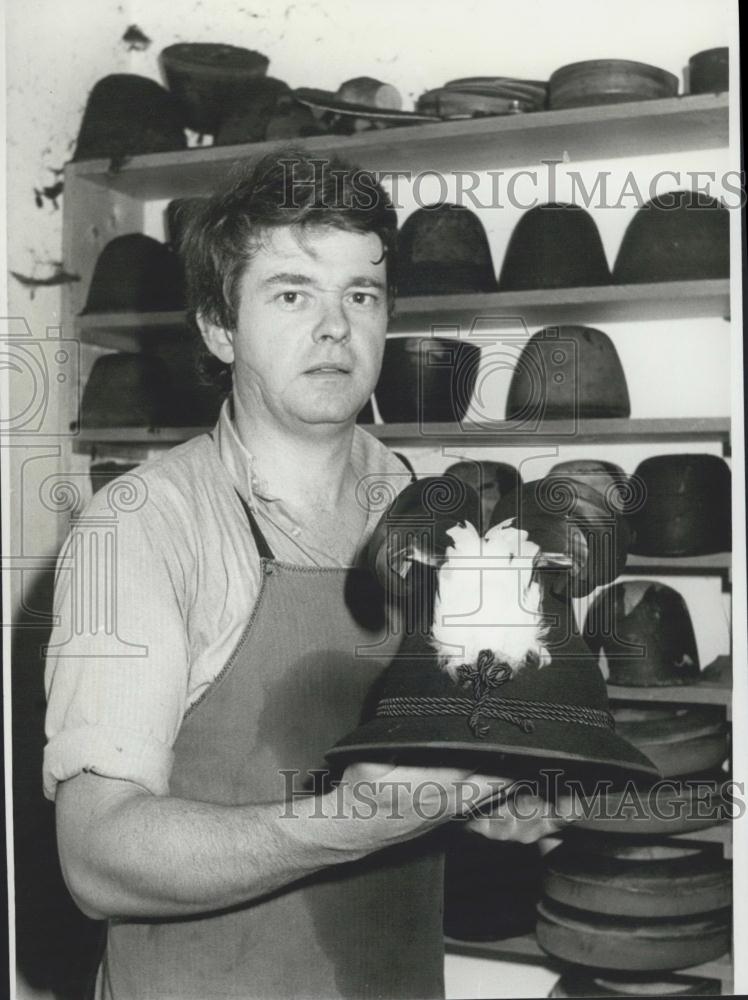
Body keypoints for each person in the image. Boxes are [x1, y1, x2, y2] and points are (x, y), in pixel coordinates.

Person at [44, 151, 568, 1000]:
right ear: (219, 329)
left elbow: (439, 767)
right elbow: (96, 859)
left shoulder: (429, 509)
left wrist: (491, 798)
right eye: (292, 294)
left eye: (361, 295)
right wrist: (349, 823)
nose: (335, 328)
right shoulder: (141, 527)